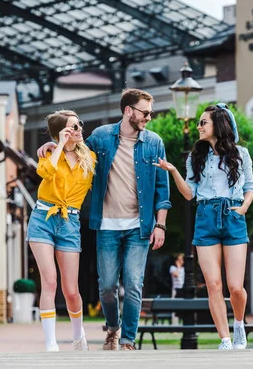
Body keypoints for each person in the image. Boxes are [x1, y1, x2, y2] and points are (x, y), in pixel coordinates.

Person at [38, 89, 171, 351]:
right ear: (128, 111)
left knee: (133, 285)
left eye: (150, 112)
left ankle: (127, 340)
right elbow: (75, 150)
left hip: (139, 226)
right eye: (145, 112)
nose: (149, 117)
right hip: (107, 225)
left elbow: (161, 190)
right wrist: (51, 145)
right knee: (108, 287)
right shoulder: (101, 137)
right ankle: (113, 328)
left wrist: (161, 224)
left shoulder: (154, 143)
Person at [155, 103, 253, 350]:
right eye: (199, 122)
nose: (198, 126)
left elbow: (249, 186)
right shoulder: (195, 158)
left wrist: (243, 208)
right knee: (213, 284)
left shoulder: (242, 154)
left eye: (203, 122)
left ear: (218, 125)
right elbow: (189, 194)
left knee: (235, 287)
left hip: (233, 216)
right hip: (206, 217)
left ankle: (239, 325)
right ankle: (225, 339)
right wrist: (174, 171)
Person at [28, 110, 96, 352]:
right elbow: (45, 173)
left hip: (70, 223)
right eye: (72, 128)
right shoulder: (48, 156)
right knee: (49, 281)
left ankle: (79, 336)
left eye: (79, 126)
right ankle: (51, 343)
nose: (78, 131)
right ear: (61, 132)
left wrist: (64, 143)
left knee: (71, 290)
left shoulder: (90, 157)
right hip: (42, 219)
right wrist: (57, 145)